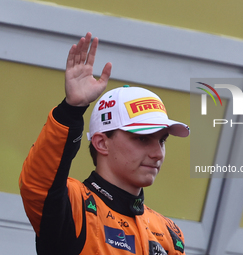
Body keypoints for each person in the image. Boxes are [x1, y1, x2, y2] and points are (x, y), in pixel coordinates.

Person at [19, 32, 189, 255]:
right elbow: (38, 183)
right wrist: (71, 111)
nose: (158, 153)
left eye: (162, 141)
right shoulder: (73, 204)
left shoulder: (169, 233)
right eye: (142, 139)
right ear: (101, 143)